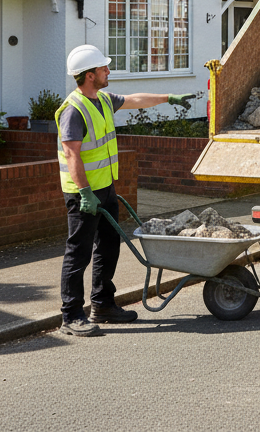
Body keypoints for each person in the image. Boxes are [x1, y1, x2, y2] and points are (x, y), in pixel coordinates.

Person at [55, 44, 197, 337]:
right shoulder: (74, 110)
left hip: (105, 188)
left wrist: (168, 97)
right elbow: (72, 155)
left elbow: (135, 99)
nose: (109, 71)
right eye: (104, 68)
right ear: (90, 75)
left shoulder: (102, 100)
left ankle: (103, 305)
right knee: (78, 254)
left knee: (108, 248)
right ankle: (70, 315)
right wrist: (84, 193)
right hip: (84, 196)